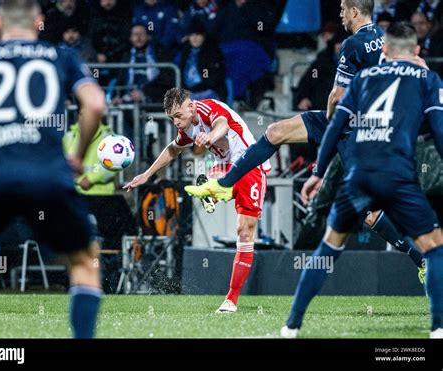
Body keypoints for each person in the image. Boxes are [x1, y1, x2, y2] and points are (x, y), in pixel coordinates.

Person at [186, 0, 427, 278]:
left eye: (342, 10)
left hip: (352, 131)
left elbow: (336, 96)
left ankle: (421, 260)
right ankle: (226, 185)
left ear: (354, 11)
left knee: (370, 211)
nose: (339, 15)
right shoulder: (386, 38)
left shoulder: (352, 44)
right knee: (275, 132)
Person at [281, 22, 443, 338]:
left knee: (329, 247)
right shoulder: (427, 78)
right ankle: (438, 327)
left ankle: (292, 325)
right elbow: (437, 131)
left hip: (357, 176)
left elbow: (334, 126)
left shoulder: (364, 79)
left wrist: (317, 174)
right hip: (397, 177)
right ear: (418, 51)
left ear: (384, 51)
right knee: (434, 249)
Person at [0, 0, 105, 338]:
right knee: (85, 261)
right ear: (40, 21)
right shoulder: (61, 56)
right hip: (48, 174)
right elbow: (95, 105)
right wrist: (77, 155)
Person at [125, 87, 270, 313]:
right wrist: (146, 174)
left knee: (245, 230)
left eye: (178, 115)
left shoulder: (207, 107)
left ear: (191, 106)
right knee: (239, 226)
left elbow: (222, 123)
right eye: (171, 118)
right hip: (226, 167)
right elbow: (172, 150)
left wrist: (210, 136)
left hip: (251, 164)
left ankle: (211, 190)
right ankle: (212, 188)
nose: (176, 122)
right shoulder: (187, 128)